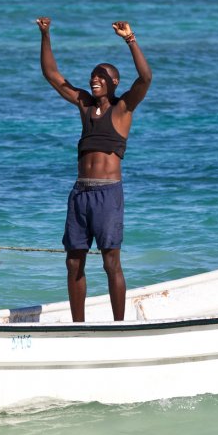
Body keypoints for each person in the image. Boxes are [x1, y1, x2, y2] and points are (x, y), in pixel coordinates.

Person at [36, 16, 152, 322]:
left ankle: (119, 326)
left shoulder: (123, 107)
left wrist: (131, 40)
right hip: (80, 194)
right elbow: (52, 75)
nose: (94, 79)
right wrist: (46, 35)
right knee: (74, 262)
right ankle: (77, 325)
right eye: (92, 76)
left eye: (101, 76)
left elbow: (145, 78)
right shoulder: (85, 105)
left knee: (111, 262)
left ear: (114, 82)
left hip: (107, 194)